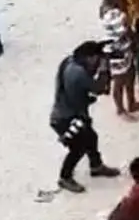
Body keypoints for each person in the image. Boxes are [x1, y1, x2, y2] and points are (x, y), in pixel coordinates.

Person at [50, 41, 122, 193]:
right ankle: (65, 177)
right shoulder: (78, 74)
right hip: (67, 118)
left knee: (91, 137)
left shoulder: (69, 62)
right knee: (78, 148)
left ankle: (96, 166)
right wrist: (104, 69)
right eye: (97, 57)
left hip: (70, 112)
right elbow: (100, 88)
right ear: (89, 57)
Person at [96, 0, 139, 119]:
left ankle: (131, 102)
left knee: (130, 73)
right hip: (117, 51)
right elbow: (123, 30)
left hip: (122, 47)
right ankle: (121, 109)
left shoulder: (108, 6)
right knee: (120, 80)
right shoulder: (113, 13)